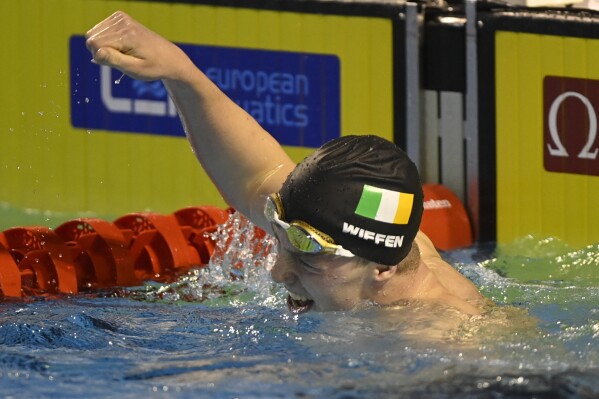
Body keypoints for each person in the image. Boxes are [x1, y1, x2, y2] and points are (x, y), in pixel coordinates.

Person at [85, 11, 487, 316]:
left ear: (382, 269)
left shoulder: (444, 345)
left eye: (308, 252)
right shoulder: (374, 240)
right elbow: (256, 173)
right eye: (283, 237)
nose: (279, 272)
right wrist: (179, 72)